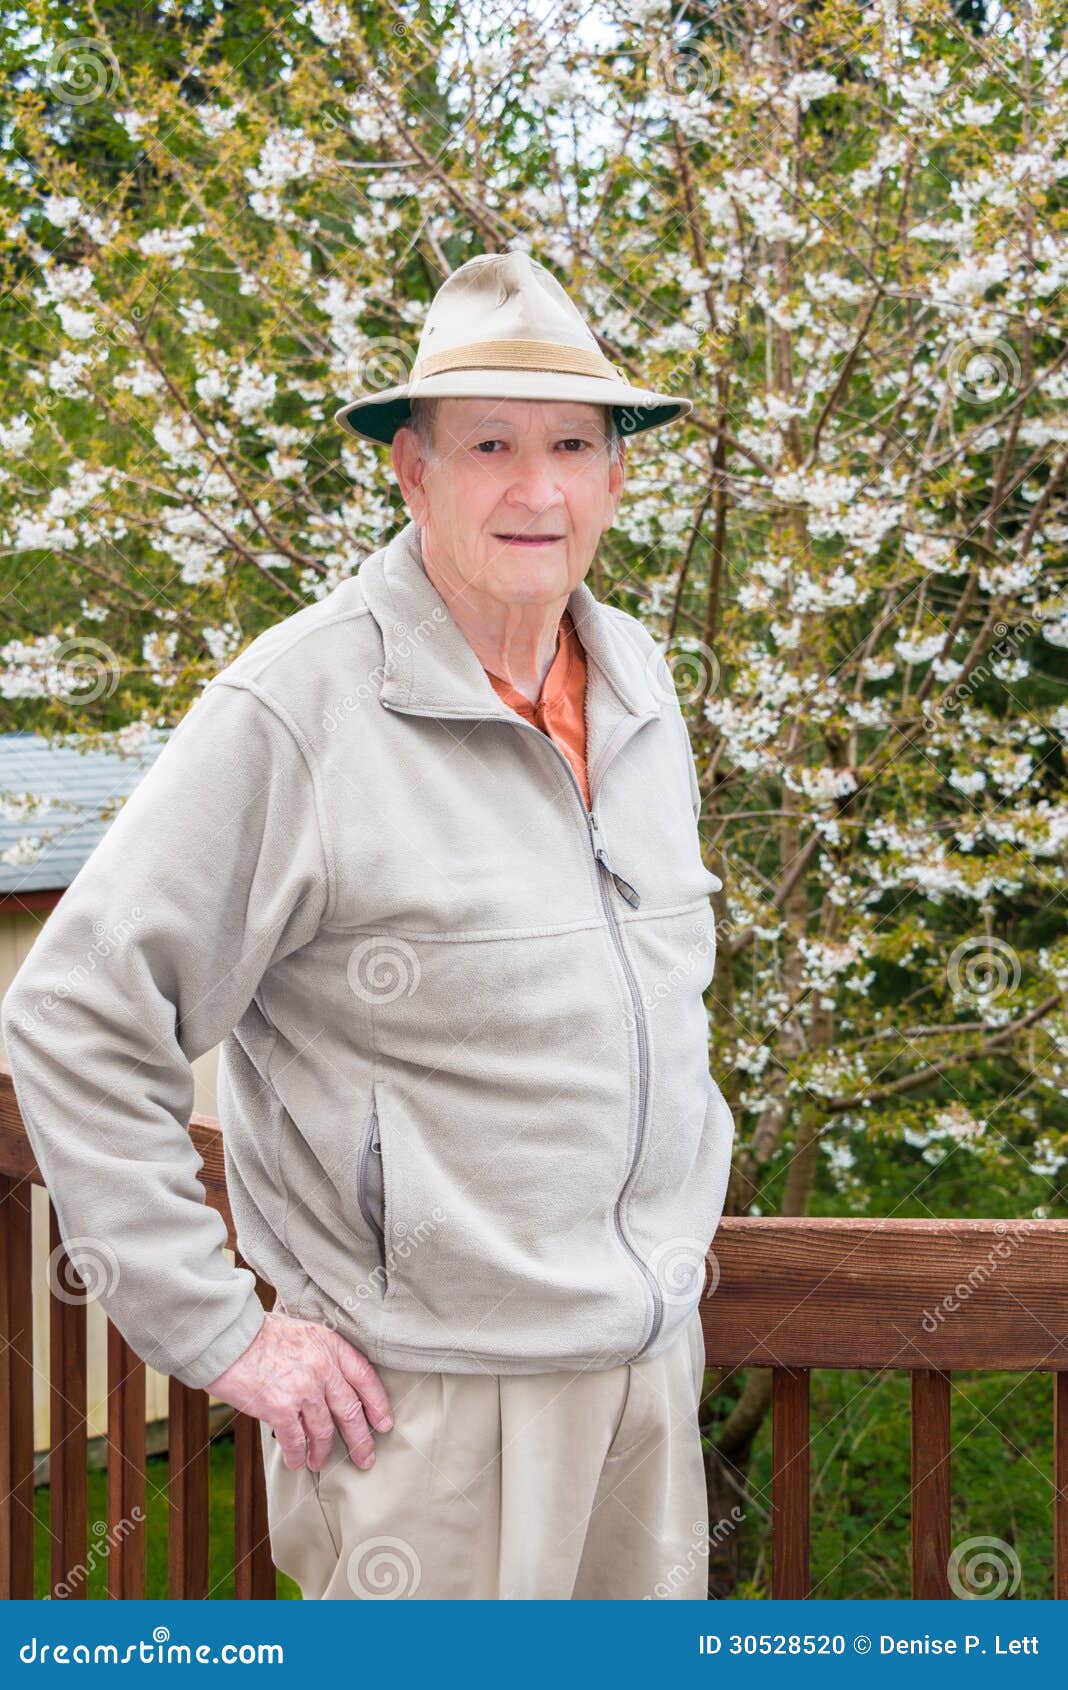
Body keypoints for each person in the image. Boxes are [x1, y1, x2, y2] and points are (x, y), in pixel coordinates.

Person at [1, 250, 734, 1600]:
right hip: (428, 1422)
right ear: (411, 469)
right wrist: (222, 1335)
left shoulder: (640, 684)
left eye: (574, 442)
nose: (538, 488)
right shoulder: (300, 705)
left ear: (618, 472)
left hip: (645, 1380)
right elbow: (73, 1012)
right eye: (491, 445)